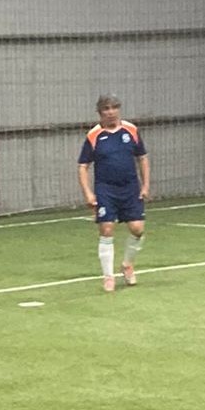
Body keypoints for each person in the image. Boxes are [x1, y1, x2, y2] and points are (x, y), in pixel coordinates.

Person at [77, 93, 150, 292]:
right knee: (107, 229)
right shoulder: (94, 135)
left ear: (119, 109)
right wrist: (88, 193)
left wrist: (145, 185)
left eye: (114, 108)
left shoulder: (131, 130)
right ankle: (108, 276)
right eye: (106, 109)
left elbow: (142, 158)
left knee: (137, 229)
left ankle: (127, 265)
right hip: (105, 189)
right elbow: (83, 166)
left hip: (130, 187)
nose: (110, 112)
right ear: (100, 112)